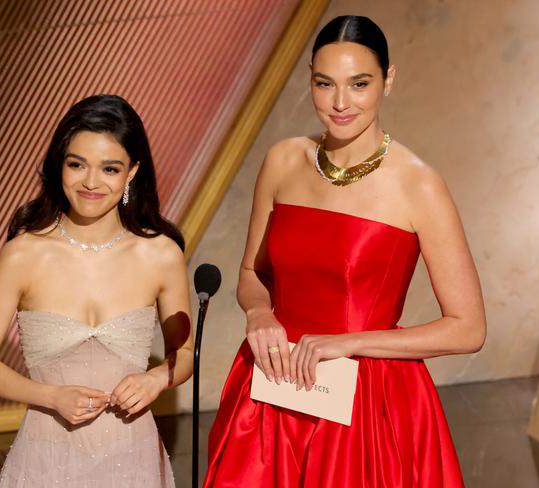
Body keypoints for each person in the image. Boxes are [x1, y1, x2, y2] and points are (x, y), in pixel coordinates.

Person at [204, 15, 485, 488]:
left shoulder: (419, 185)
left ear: (388, 80)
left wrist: (347, 342)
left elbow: (468, 329)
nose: (339, 103)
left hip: (367, 403)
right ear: (309, 78)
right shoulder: (282, 161)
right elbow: (252, 271)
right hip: (274, 385)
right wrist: (258, 315)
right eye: (324, 83)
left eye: (359, 84)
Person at [0, 95, 192, 487]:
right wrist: (50, 396)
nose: (91, 182)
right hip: (44, 460)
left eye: (109, 168)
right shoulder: (23, 254)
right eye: (77, 164)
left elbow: (184, 353)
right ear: (60, 166)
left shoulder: (160, 254)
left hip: (134, 461)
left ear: (132, 173)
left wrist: (156, 380)